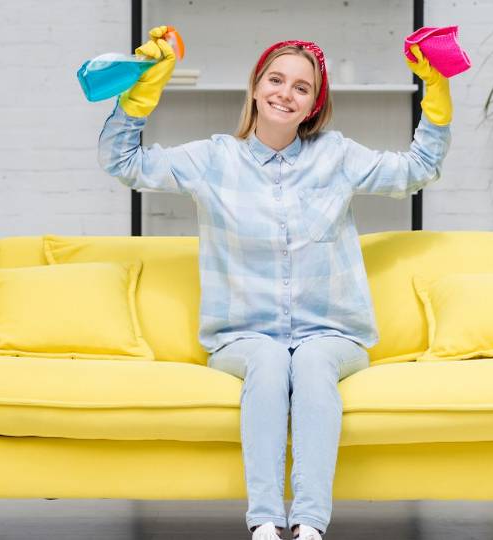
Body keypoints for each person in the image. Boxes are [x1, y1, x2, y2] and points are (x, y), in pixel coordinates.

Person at [98, 25, 453, 540]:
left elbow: (416, 169)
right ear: (256, 87)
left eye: (301, 87)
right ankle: (264, 521)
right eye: (276, 80)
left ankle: (310, 523)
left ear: (313, 105)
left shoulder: (337, 156)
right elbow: (122, 162)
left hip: (332, 333)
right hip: (242, 336)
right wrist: (141, 96)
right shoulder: (213, 159)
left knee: (309, 360)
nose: (286, 93)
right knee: (266, 358)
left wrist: (436, 97)